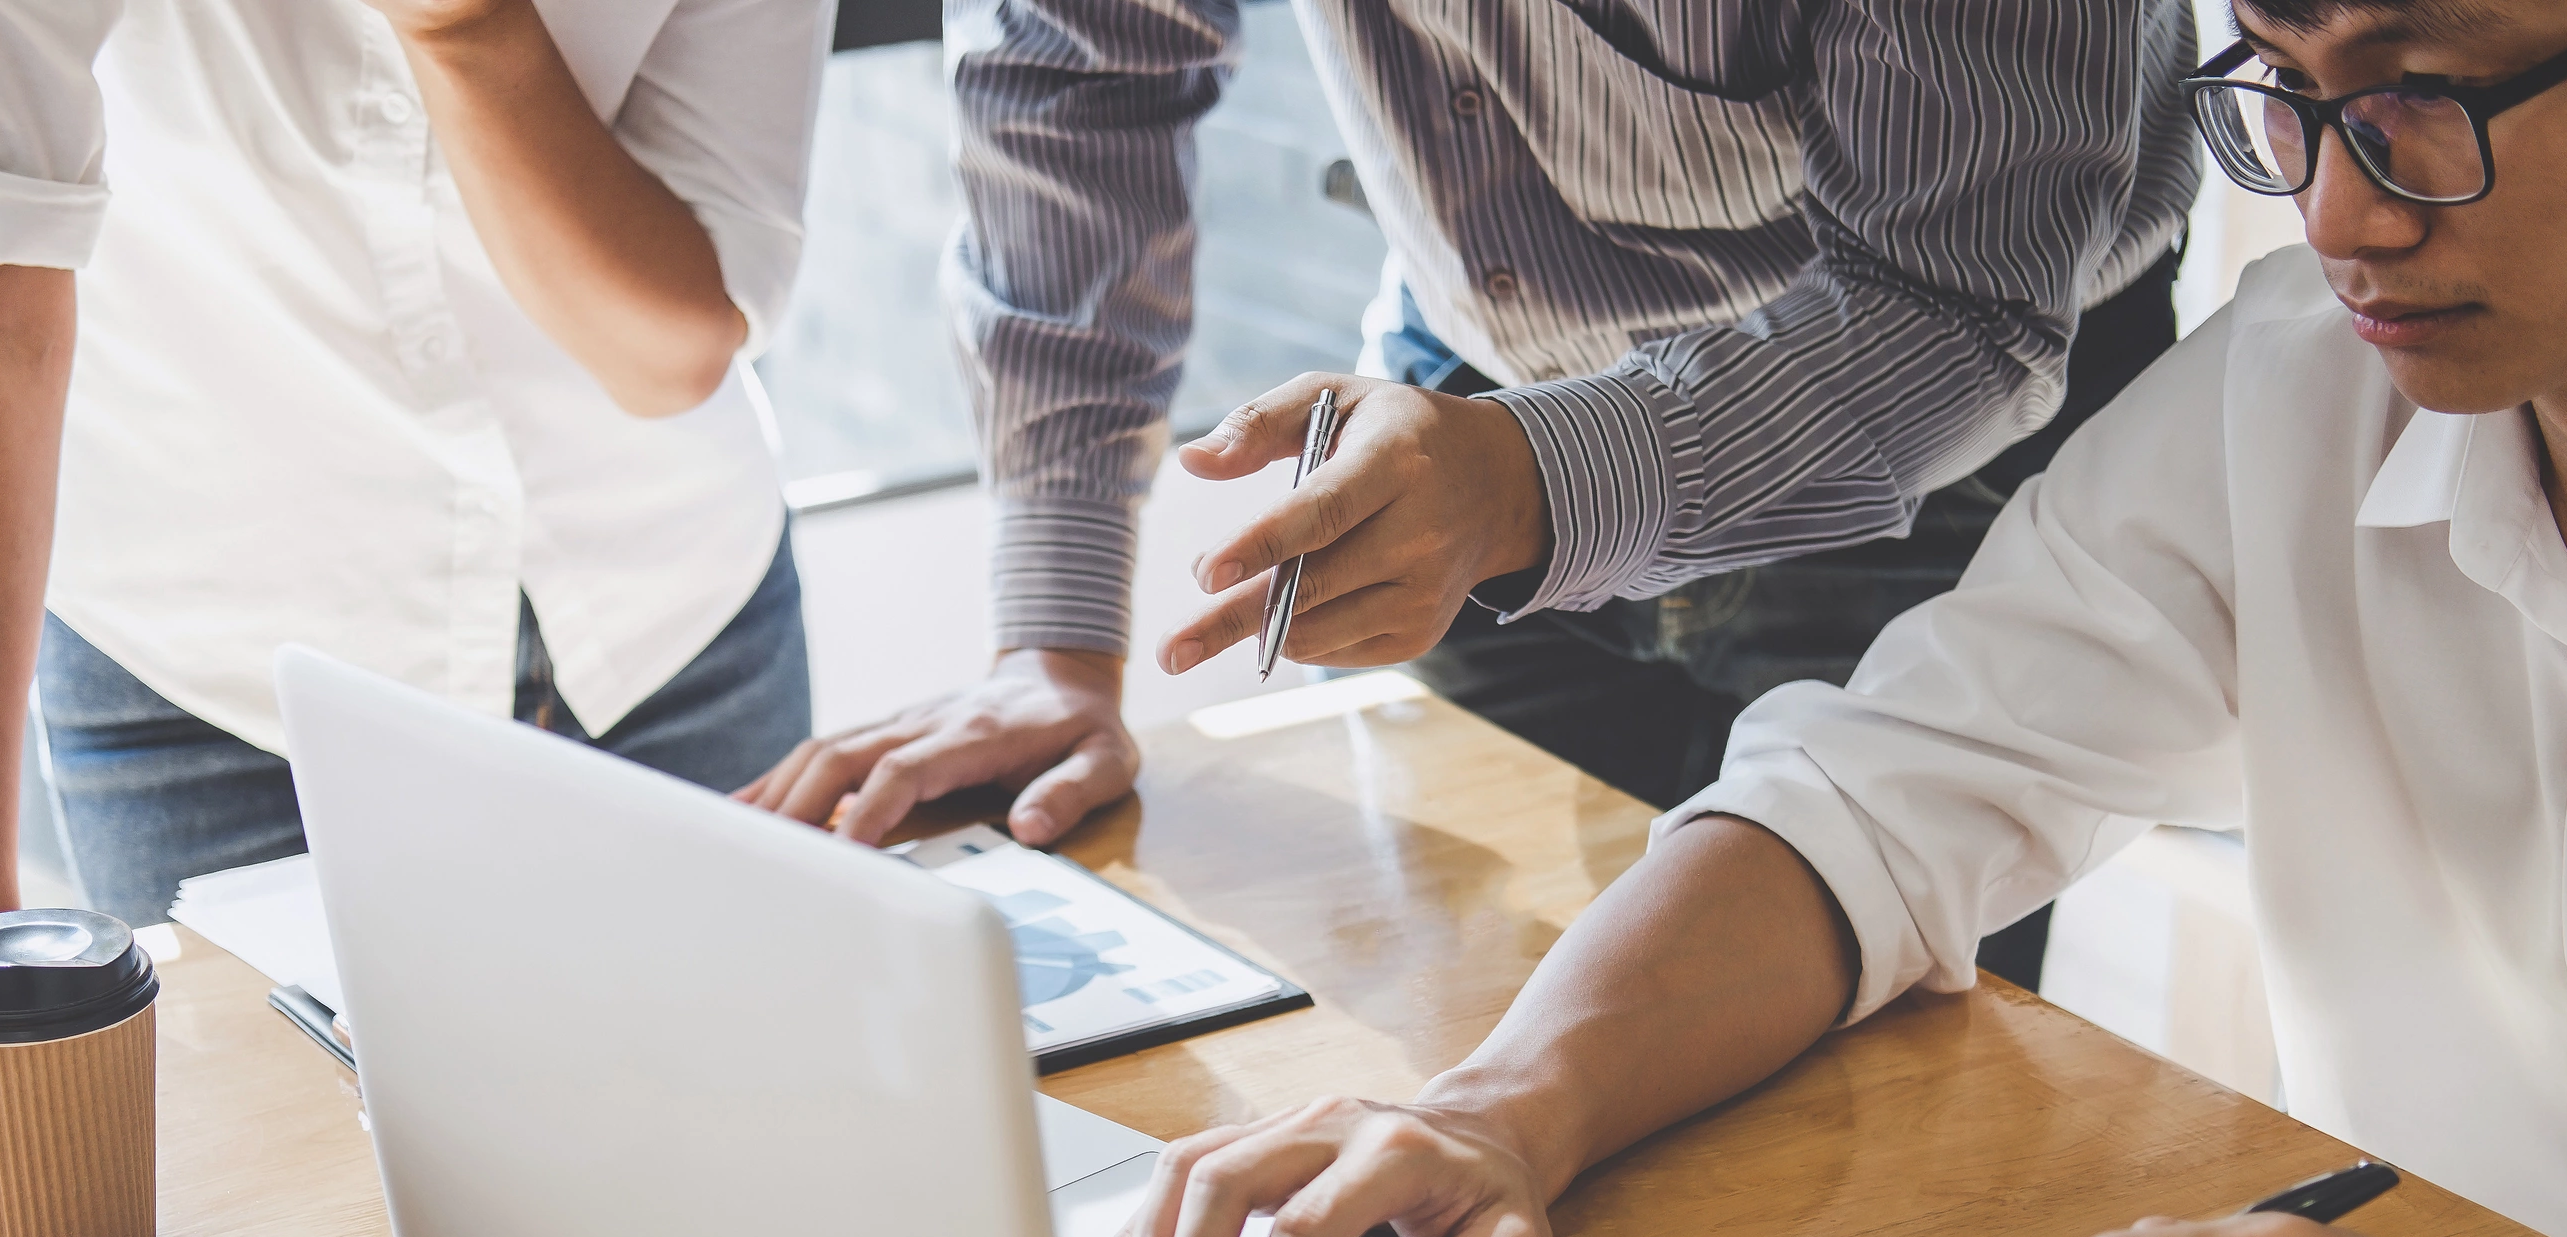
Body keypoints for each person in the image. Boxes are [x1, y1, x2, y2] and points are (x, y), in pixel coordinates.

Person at [1084, 0, 2567, 1237]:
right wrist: (1497, 1111)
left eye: (2420, 96)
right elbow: (1881, 791)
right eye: (2293, 97)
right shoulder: (2296, 388)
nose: (2338, 217)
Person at [0, 0, 1063, 1156]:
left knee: (748, 1188)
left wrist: (466, 32)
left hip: (667, 619)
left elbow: (673, 344)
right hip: (209, 675)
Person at [760, 0, 2200, 990]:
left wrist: (1525, 488)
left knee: (1866, 1142)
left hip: (1938, 451)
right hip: (1474, 388)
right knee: (1478, 1035)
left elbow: (1951, 302)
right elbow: (1083, 79)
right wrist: (1054, 646)